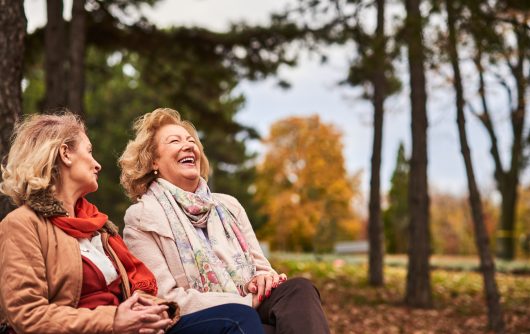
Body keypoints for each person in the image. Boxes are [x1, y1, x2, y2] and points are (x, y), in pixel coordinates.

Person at [0, 112, 263, 334]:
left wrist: (155, 312)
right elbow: (27, 315)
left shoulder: (99, 228)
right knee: (239, 318)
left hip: (138, 328)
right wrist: (113, 319)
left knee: (248, 314)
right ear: (65, 154)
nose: (97, 164)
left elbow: (141, 289)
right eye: (89, 152)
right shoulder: (23, 225)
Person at [119, 107, 330, 334]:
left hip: (250, 302)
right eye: (174, 141)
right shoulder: (142, 217)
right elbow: (165, 298)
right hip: (201, 318)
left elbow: (262, 268)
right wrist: (244, 302)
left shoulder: (229, 206)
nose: (189, 145)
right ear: (153, 162)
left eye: (191, 141)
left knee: (299, 289)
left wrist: (262, 279)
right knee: (250, 322)